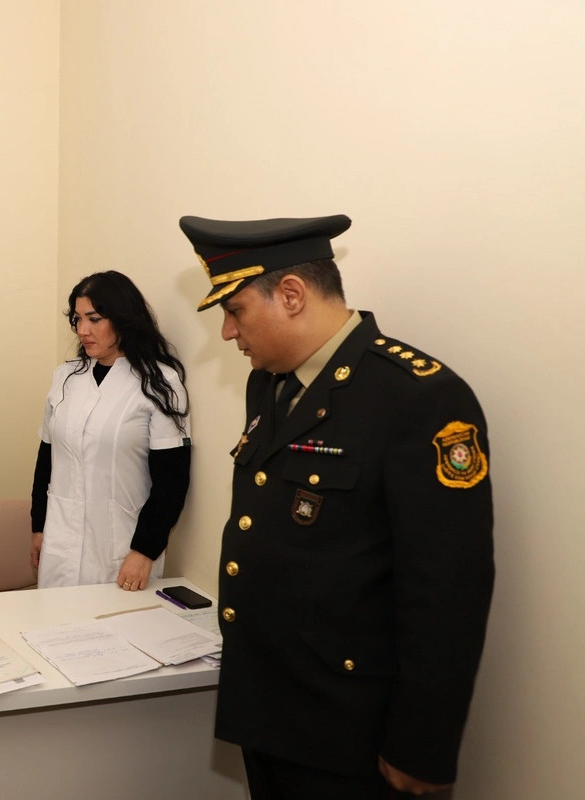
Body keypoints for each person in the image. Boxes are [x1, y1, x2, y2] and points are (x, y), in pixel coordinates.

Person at [179, 214, 494, 799]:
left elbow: (448, 589)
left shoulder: (417, 396)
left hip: (351, 730)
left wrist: (421, 745)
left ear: (291, 294)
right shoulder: (270, 383)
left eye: (236, 310)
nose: (226, 332)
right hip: (270, 708)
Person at [30, 270, 192, 591]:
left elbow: (172, 481)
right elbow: (46, 457)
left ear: (123, 319)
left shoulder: (160, 384)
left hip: (123, 549)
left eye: (94, 319)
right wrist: (38, 526)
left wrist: (144, 550)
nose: (83, 330)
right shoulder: (65, 378)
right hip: (60, 540)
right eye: (77, 319)